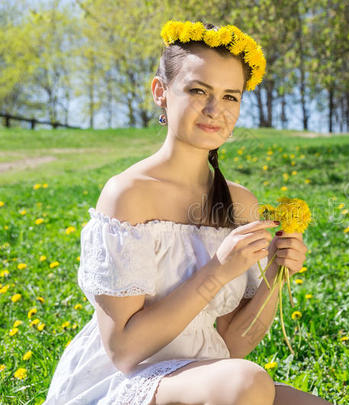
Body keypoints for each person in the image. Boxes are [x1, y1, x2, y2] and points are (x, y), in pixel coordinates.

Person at [43, 20, 332, 405]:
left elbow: (230, 345)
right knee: (247, 383)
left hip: (203, 378)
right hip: (123, 381)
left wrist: (276, 274)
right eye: (199, 91)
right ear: (161, 92)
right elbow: (124, 351)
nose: (216, 110)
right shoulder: (129, 194)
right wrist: (217, 272)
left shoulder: (239, 203)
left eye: (231, 96)